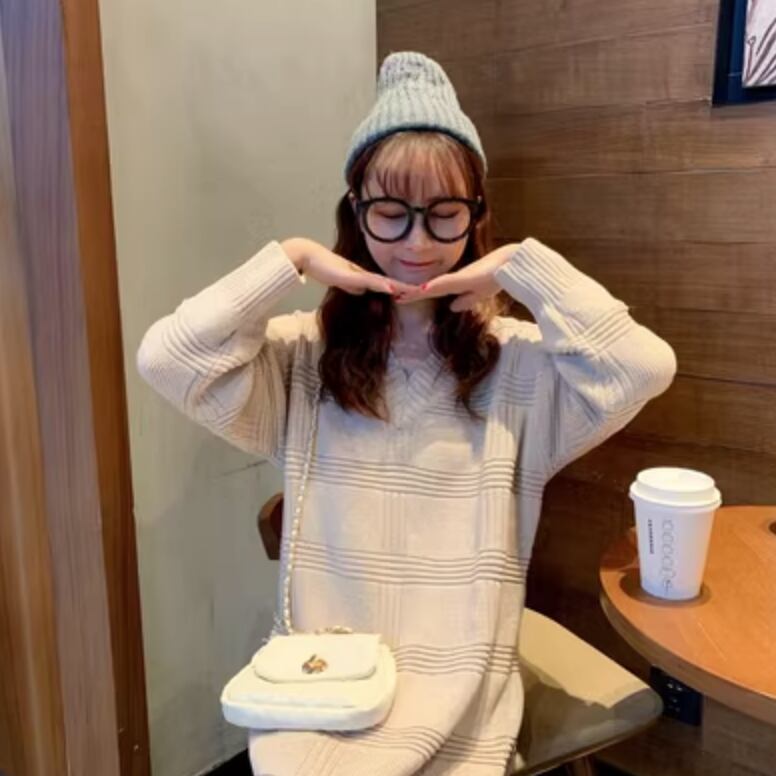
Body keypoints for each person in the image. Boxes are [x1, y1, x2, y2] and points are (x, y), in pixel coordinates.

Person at [137, 51, 676, 776]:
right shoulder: (302, 359)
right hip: (323, 692)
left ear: (475, 216)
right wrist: (290, 259)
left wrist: (520, 264)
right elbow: (167, 359)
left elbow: (645, 367)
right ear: (356, 215)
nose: (417, 243)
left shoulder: (519, 369)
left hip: (463, 697)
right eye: (390, 214)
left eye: (444, 214)